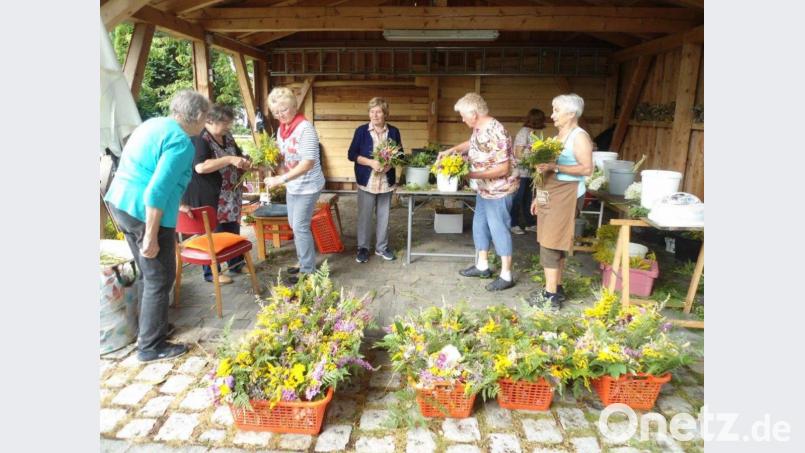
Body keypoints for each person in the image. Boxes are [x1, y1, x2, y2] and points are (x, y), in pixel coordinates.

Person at [105, 90, 210, 362]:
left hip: (121, 203)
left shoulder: (153, 124)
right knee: (159, 277)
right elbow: (156, 192)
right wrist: (151, 236)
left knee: (148, 273)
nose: (206, 122)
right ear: (197, 116)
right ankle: (151, 347)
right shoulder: (181, 142)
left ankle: (152, 329)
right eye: (206, 117)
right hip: (145, 213)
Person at [439, 93, 519, 291]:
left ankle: (506, 275)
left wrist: (470, 175)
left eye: (463, 115)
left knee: (498, 228)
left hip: (500, 190)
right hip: (484, 189)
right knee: (480, 225)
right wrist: (451, 151)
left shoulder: (496, 130)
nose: (462, 119)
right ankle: (482, 266)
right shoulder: (479, 128)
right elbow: (472, 144)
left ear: (474, 113)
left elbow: (504, 169)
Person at [530, 93, 594, 309]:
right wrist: (538, 197)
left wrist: (555, 167)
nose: (552, 115)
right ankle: (557, 287)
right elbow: (545, 169)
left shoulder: (579, 137)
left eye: (556, 110)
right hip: (551, 193)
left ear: (571, 113)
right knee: (553, 241)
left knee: (551, 242)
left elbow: (586, 169)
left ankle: (550, 297)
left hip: (566, 194)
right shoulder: (558, 137)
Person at [182, 104, 252, 285]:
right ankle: (212, 272)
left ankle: (236, 263)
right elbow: (201, 167)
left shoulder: (226, 136)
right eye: (225, 123)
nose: (228, 127)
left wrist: (246, 161)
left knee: (232, 230)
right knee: (213, 234)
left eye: (229, 123)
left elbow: (237, 154)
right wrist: (229, 159)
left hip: (230, 193)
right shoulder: (200, 138)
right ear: (210, 121)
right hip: (210, 194)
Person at [263, 87, 326, 284]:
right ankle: (303, 261)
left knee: (299, 226)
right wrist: (274, 163)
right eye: (276, 112)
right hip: (294, 185)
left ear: (294, 106)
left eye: (284, 110)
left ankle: (309, 272)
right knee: (295, 225)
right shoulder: (282, 130)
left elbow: (308, 163)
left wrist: (281, 180)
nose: (280, 115)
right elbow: (284, 157)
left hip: (308, 185)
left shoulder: (305, 129)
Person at [347, 97, 403, 263]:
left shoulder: (393, 132)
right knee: (364, 216)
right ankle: (363, 248)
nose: (375, 115)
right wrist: (371, 162)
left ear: (385, 114)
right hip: (367, 181)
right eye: (372, 111)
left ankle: (382, 247)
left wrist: (389, 164)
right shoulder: (361, 131)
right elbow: (351, 154)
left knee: (384, 216)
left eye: (378, 111)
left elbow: (400, 154)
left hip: (385, 181)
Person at [510, 108, 546, 235]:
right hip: (521, 171)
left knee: (528, 198)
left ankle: (530, 223)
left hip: (530, 171)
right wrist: (532, 162)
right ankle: (513, 224)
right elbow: (518, 154)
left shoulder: (533, 133)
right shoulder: (524, 132)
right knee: (518, 198)